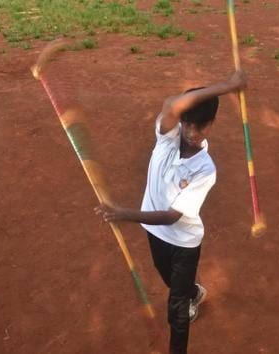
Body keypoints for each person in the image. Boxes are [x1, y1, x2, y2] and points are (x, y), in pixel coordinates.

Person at [95, 69, 247, 353]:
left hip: (184, 243)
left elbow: (172, 216)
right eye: (187, 124)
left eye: (198, 128)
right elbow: (171, 106)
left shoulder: (205, 169)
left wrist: (124, 214)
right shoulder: (167, 136)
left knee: (176, 310)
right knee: (168, 278)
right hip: (155, 233)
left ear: (210, 125)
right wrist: (227, 86)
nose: (190, 133)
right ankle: (194, 292)